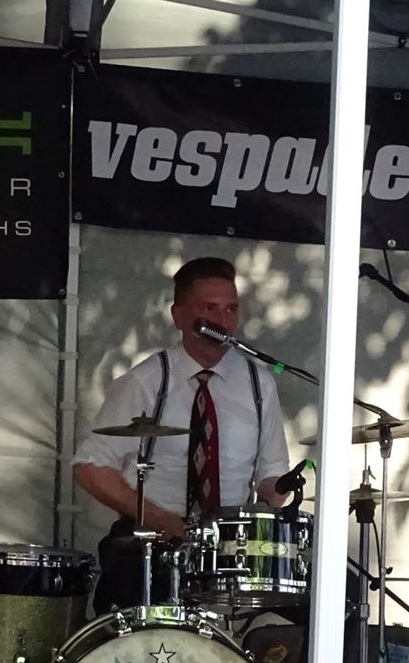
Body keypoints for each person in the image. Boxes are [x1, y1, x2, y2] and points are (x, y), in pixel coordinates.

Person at [74, 257, 293, 611]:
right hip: (149, 547)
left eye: (231, 309)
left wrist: (265, 509)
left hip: (226, 553)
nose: (222, 320)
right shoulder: (146, 381)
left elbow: (272, 471)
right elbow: (90, 467)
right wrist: (161, 520)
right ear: (178, 316)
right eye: (209, 308)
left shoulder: (259, 384)